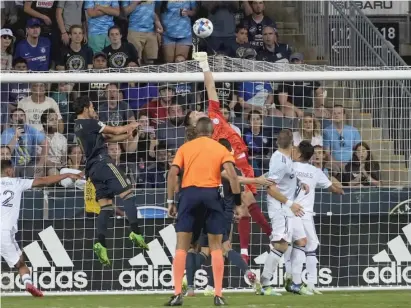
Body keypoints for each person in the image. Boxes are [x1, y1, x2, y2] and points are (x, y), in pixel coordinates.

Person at [185, 51, 273, 263]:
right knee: (245, 202)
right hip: (231, 167)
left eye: (196, 112)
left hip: (244, 159)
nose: (197, 112)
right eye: (193, 116)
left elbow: (210, 87)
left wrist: (205, 64)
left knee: (245, 208)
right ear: (194, 126)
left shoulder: (214, 113)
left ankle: (244, 250)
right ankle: (263, 242)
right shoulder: (204, 142)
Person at [165, 117, 241, 306]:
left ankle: (177, 294)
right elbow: (232, 176)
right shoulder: (220, 148)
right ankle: (218, 295)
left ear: (197, 131)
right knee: (216, 246)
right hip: (211, 196)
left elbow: (172, 174)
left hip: (188, 196)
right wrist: (238, 202)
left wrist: (170, 202)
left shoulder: (185, 148)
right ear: (212, 132)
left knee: (182, 246)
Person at [185, 138, 273, 297]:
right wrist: (238, 206)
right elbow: (236, 186)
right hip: (224, 215)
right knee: (216, 250)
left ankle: (189, 283)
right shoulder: (232, 170)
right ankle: (245, 273)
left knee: (206, 250)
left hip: (208, 213)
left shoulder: (212, 167)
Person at [73, 96, 148, 266]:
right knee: (128, 193)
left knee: (106, 206)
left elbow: (108, 139)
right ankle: (136, 233)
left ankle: (100, 243)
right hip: (103, 163)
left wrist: (127, 134)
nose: (94, 110)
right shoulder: (90, 123)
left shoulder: (78, 126)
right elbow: (113, 131)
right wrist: (131, 125)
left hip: (92, 170)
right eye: (92, 106)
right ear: (85, 108)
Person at [0, 159, 81, 297]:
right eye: (12, 170)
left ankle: (28, 283)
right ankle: (28, 284)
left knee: (20, 258)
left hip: (6, 233)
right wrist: (66, 175)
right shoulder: (17, 182)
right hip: (4, 232)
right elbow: (44, 180)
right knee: (20, 263)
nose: (13, 172)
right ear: (9, 171)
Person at [283, 141, 344, 295]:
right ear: (310, 156)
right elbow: (332, 188)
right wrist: (340, 191)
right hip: (303, 213)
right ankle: (308, 283)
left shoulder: (289, 166)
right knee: (310, 246)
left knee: (289, 245)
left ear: (299, 153)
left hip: (287, 210)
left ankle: (291, 276)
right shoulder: (315, 171)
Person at [258, 129, 306, 296]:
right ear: (293, 143)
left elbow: (287, 178)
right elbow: (270, 188)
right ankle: (264, 284)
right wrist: (290, 203)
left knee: (300, 240)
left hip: (287, 208)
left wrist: (300, 183)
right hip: (281, 208)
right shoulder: (279, 161)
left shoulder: (287, 157)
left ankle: (293, 280)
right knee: (281, 244)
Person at [122, 0, 162, 65]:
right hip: (134, 30)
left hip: (151, 31)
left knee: (150, 62)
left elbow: (154, 10)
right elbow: (124, 13)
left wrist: (157, 22)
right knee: (135, 60)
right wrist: (135, 2)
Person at [323, 105, 361, 170]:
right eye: (334, 113)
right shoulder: (326, 131)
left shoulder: (353, 130)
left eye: (339, 113)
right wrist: (338, 164)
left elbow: (359, 150)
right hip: (334, 165)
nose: (336, 115)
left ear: (344, 116)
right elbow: (327, 153)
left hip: (352, 164)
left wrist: (350, 164)